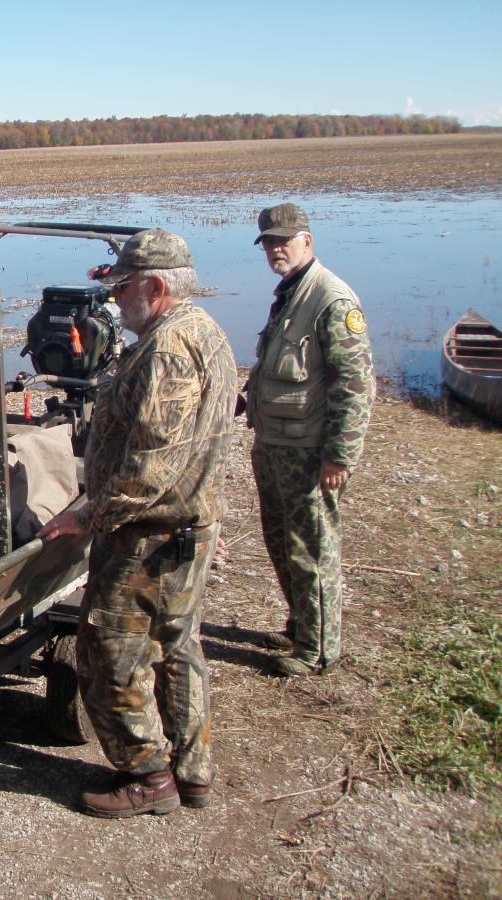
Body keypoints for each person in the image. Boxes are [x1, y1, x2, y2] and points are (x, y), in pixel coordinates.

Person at [38, 229, 237, 819]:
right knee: (177, 646)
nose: (115, 302)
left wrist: (86, 515)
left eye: (123, 289)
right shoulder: (207, 332)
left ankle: (147, 775)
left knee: (111, 650)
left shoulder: (170, 350)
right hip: (189, 522)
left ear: (155, 286)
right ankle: (193, 772)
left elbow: (149, 467)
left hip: (148, 534)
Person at [245, 203, 374, 677]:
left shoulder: (331, 300)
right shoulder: (290, 294)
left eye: (284, 240)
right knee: (281, 541)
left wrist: (339, 455)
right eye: (269, 242)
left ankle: (318, 649)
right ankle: (302, 625)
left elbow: (355, 385)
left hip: (308, 450)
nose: (276, 249)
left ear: (307, 240)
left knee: (312, 547)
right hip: (275, 441)